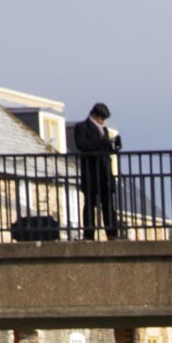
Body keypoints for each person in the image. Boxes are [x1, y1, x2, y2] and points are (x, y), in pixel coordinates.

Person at [71, 102, 122, 241]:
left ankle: (112, 234)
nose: (102, 121)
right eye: (101, 118)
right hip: (91, 173)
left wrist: (114, 147)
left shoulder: (103, 130)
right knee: (90, 204)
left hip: (104, 173)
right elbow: (82, 145)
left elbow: (105, 150)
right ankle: (88, 235)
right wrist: (102, 142)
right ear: (94, 114)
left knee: (108, 205)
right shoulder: (82, 127)